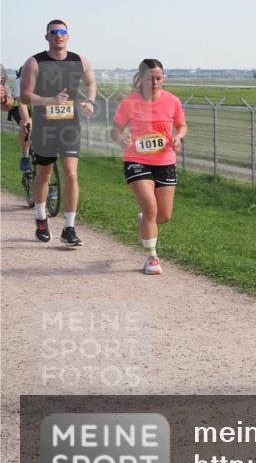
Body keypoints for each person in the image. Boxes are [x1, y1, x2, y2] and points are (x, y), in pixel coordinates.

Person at [19, 20, 97, 246]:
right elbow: (24, 96)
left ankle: (69, 228)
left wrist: (90, 101)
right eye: (54, 32)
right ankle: (41, 219)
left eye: (62, 32)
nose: (58, 36)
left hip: (70, 126)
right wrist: (48, 100)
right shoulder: (35, 62)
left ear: (68, 36)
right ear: (47, 37)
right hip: (45, 126)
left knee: (72, 174)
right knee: (44, 174)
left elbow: (91, 82)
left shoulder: (79, 60)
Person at [111, 59, 187, 275]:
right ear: (141, 79)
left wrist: (178, 137)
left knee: (163, 216)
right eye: (150, 78)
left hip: (165, 161)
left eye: (158, 78)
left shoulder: (172, 101)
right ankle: (152, 257)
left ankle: (144, 220)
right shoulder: (129, 103)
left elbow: (182, 125)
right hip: (136, 160)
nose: (154, 82)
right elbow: (114, 130)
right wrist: (120, 139)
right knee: (151, 207)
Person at [7, 68, 34, 172]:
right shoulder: (21, 80)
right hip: (21, 108)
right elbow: (21, 103)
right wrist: (27, 119)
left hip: (37, 107)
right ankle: (25, 157)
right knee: (26, 126)